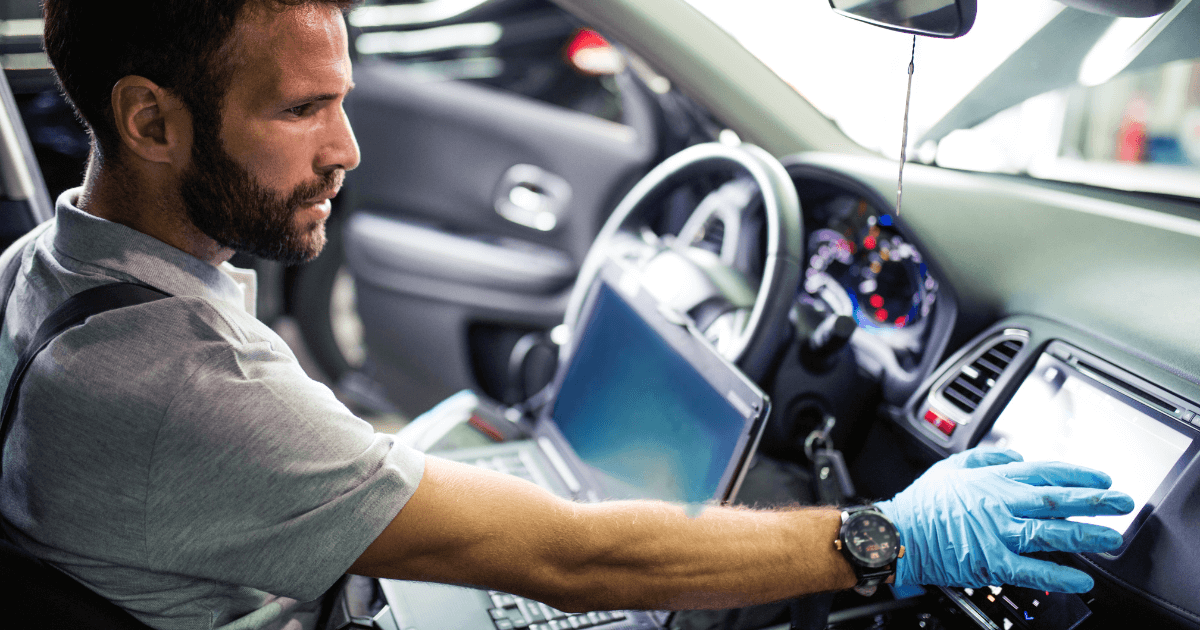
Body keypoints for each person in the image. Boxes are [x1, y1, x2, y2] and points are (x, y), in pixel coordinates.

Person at [0, 1, 1134, 629]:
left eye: (343, 98)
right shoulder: (174, 385)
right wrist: (889, 538)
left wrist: (387, 472)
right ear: (151, 122)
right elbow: (576, 558)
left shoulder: (47, 271)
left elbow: (248, 472)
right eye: (300, 110)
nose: (348, 150)